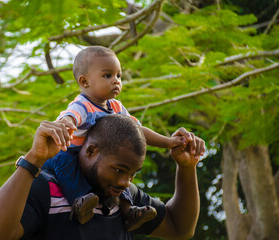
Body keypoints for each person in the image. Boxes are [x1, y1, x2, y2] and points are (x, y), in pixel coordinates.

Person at [0, 114, 205, 240]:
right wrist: (33, 159)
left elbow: (180, 228)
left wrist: (186, 167)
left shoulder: (125, 198)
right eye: (119, 170)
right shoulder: (46, 189)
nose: (125, 181)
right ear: (91, 151)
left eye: (132, 174)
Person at [43, 46, 190, 230]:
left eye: (119, 76)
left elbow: (137, 130)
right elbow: (70, 117)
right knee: (64, 160)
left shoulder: (116, 107)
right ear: (84, 81)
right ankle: (79, 201)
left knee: (122, 174)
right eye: (107, 76)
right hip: (70, 152)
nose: (116, 81)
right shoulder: (82, 105)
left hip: (96, 159)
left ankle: (129, 211)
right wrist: (66, 125)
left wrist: (168, 142)